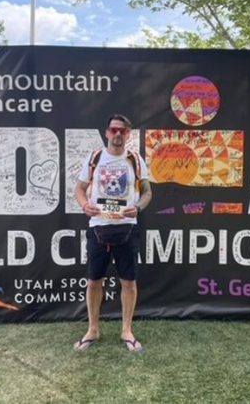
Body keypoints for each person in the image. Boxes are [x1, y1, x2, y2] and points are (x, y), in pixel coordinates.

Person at [73, 114, 152, 352]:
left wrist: (138, 208)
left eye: (122, 131)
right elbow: (79, 189)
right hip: (98, 227)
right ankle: (92, 330)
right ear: (107, 132)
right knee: (94, 282)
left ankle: (126, 330)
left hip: (127, 228)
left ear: (128, 134)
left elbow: (147, 192)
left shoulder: (135, 160)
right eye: (114, 130)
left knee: (128, 282)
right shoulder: (94, 158)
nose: (118, 134)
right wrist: (84, 205)